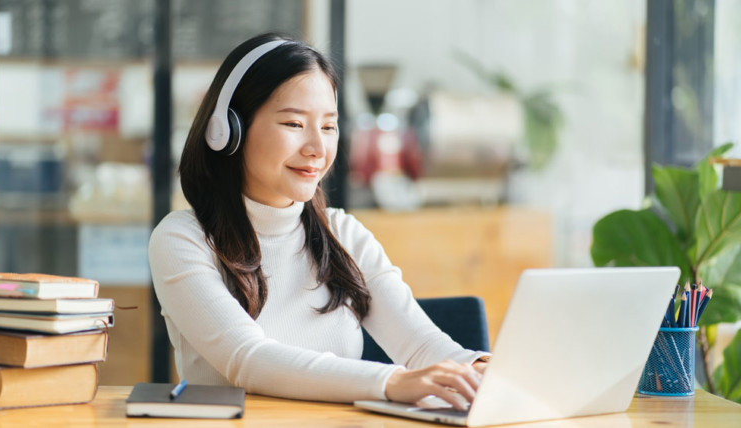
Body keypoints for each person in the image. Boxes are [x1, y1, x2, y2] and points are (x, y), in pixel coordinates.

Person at [148, 33, 489, 410]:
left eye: (328, 127)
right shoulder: (183, 239)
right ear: (229, 130)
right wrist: (392, 380)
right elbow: (249, 359)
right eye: (294, 124)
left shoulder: (343, 234)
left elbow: (423, 346)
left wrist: (479, 368)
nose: (317, 148)